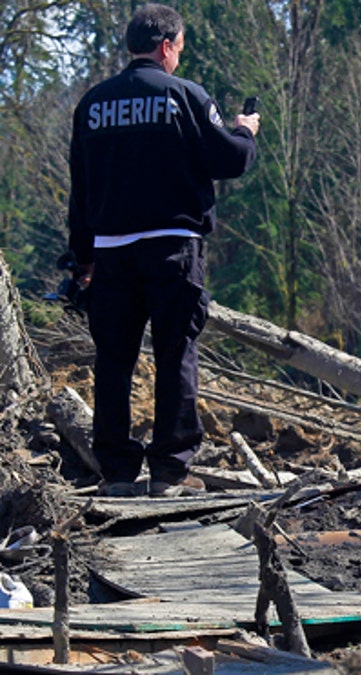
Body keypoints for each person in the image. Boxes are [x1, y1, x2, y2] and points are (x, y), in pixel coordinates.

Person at [67, 3, 259, 497]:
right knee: (176, 355)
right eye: (179, 49)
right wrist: (246, 130)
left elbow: (80, 189)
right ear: (167, 45)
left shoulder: (92, 104)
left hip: (111, 253)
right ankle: (171, 471)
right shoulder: (186, 96)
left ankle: (116, 472)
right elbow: (230, 160)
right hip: (174, 249)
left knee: (113, 360)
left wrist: (82, 259)